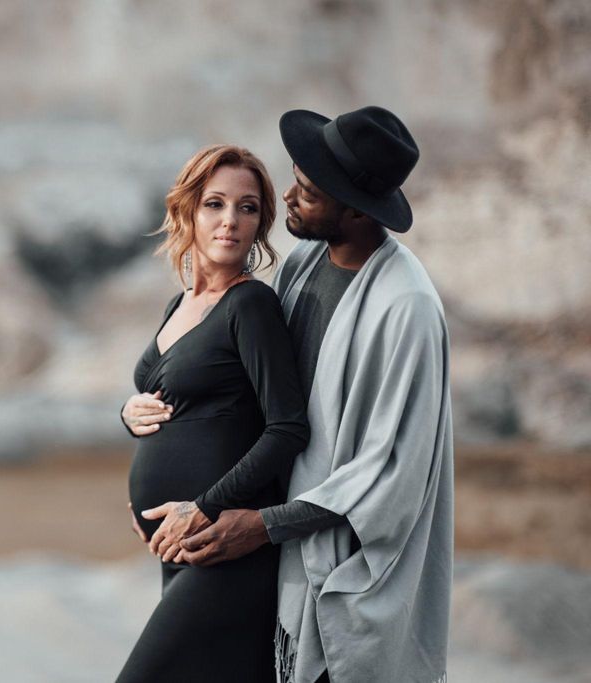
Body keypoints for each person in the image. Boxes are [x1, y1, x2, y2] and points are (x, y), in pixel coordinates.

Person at [169, 106, 455, 683]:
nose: (290, 200)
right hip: (268, 548)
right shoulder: (302, 265)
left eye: (309, 192)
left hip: (345, 574)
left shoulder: (407, 308)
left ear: (355, 209)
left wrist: (263, 524)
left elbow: (391, 476)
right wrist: (179, 492)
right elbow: (263, 403)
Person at [115, 144, 310, 682]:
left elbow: (287, 428)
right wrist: (129, 415)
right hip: (175, 548)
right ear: (187, 210)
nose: (230, 221)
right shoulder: (178, 305)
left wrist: (201, 507)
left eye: (247, 208)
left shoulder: (251, 306)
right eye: (215, 204)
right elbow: (178, 401)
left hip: (224, 549)